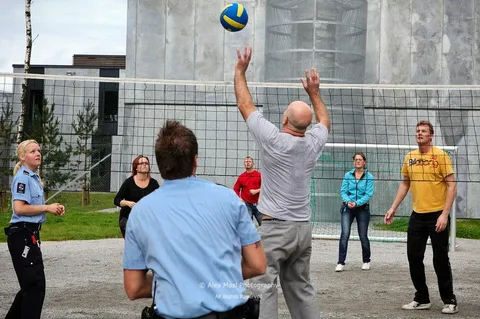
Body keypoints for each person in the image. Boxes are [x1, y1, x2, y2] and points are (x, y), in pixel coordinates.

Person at [123, 120, 267, 319]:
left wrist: (178, 281)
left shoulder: (140, 212)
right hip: (227, 314)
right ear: (195, 160)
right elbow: (257, 264)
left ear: (158, 163)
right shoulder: (230, 199)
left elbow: (134, 287)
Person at [234, 47, 330, 319]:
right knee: (300, 287)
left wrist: (240, 71)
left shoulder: (273, 140)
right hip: (302, 229)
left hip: (276, 228)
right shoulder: (313, 143)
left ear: (285, 119)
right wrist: (314, 93)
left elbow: (245, 105)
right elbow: (324, 120)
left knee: (261, 286)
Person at [384, 120, 458, 314]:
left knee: (440, 259)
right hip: (417, 215)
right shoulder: (410, 157)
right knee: (413, 257)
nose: (419, 133)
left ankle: (449, 300)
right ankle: (422, 298)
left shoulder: (441, 156)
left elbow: (452, 185)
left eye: (423, 131)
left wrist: (444, 214)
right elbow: (405, 184)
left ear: (431, 135)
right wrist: (393, 208)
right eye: (417, 131)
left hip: (437, 214)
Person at [4, 139, 65, 319]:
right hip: (21, 235)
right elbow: (19, 208)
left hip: (29, 234)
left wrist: (51, 209)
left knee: (31, 287)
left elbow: (32, 208)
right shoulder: (22, 178)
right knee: (34, 287)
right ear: (22, 157)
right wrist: (47, 208)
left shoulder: (33, 177)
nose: (38, 154)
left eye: (38, 150)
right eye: (32, 151)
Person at [335, 152, 374, 272]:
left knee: (363, 235)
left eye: (360, 159)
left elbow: (368, 194)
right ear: (353, 162)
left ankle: (366, 261)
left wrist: (357, 203)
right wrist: (348, 202)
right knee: (344, 234)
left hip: (362, 209)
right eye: (356, 159)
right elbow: (343, 191)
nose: (358, 161)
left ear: (364, 162)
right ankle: (340, 262)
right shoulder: (348, 175)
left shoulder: (369, 177)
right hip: (348, 208)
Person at [114, 155, 160, 238]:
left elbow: (159, 200)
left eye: (146, 163)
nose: (145, 165)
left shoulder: (154, 183)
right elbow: (116, 200)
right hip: (128, 218)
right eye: (141, 163)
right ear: (136, 167)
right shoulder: (129, 182)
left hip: (147, 219)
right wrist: (128, 203)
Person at [233, 156, 262, 225]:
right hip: (247, 204)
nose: (247, 163)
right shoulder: (242, 176)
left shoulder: (258, 175)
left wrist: (256, 191)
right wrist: (239, 198)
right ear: (244, 164)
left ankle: (263, 236)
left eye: (249, 161)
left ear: (253, 163)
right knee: (248, 224)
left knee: (263, 224)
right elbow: (236, 189)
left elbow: (266, 187)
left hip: (259, 204)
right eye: (246, 162)